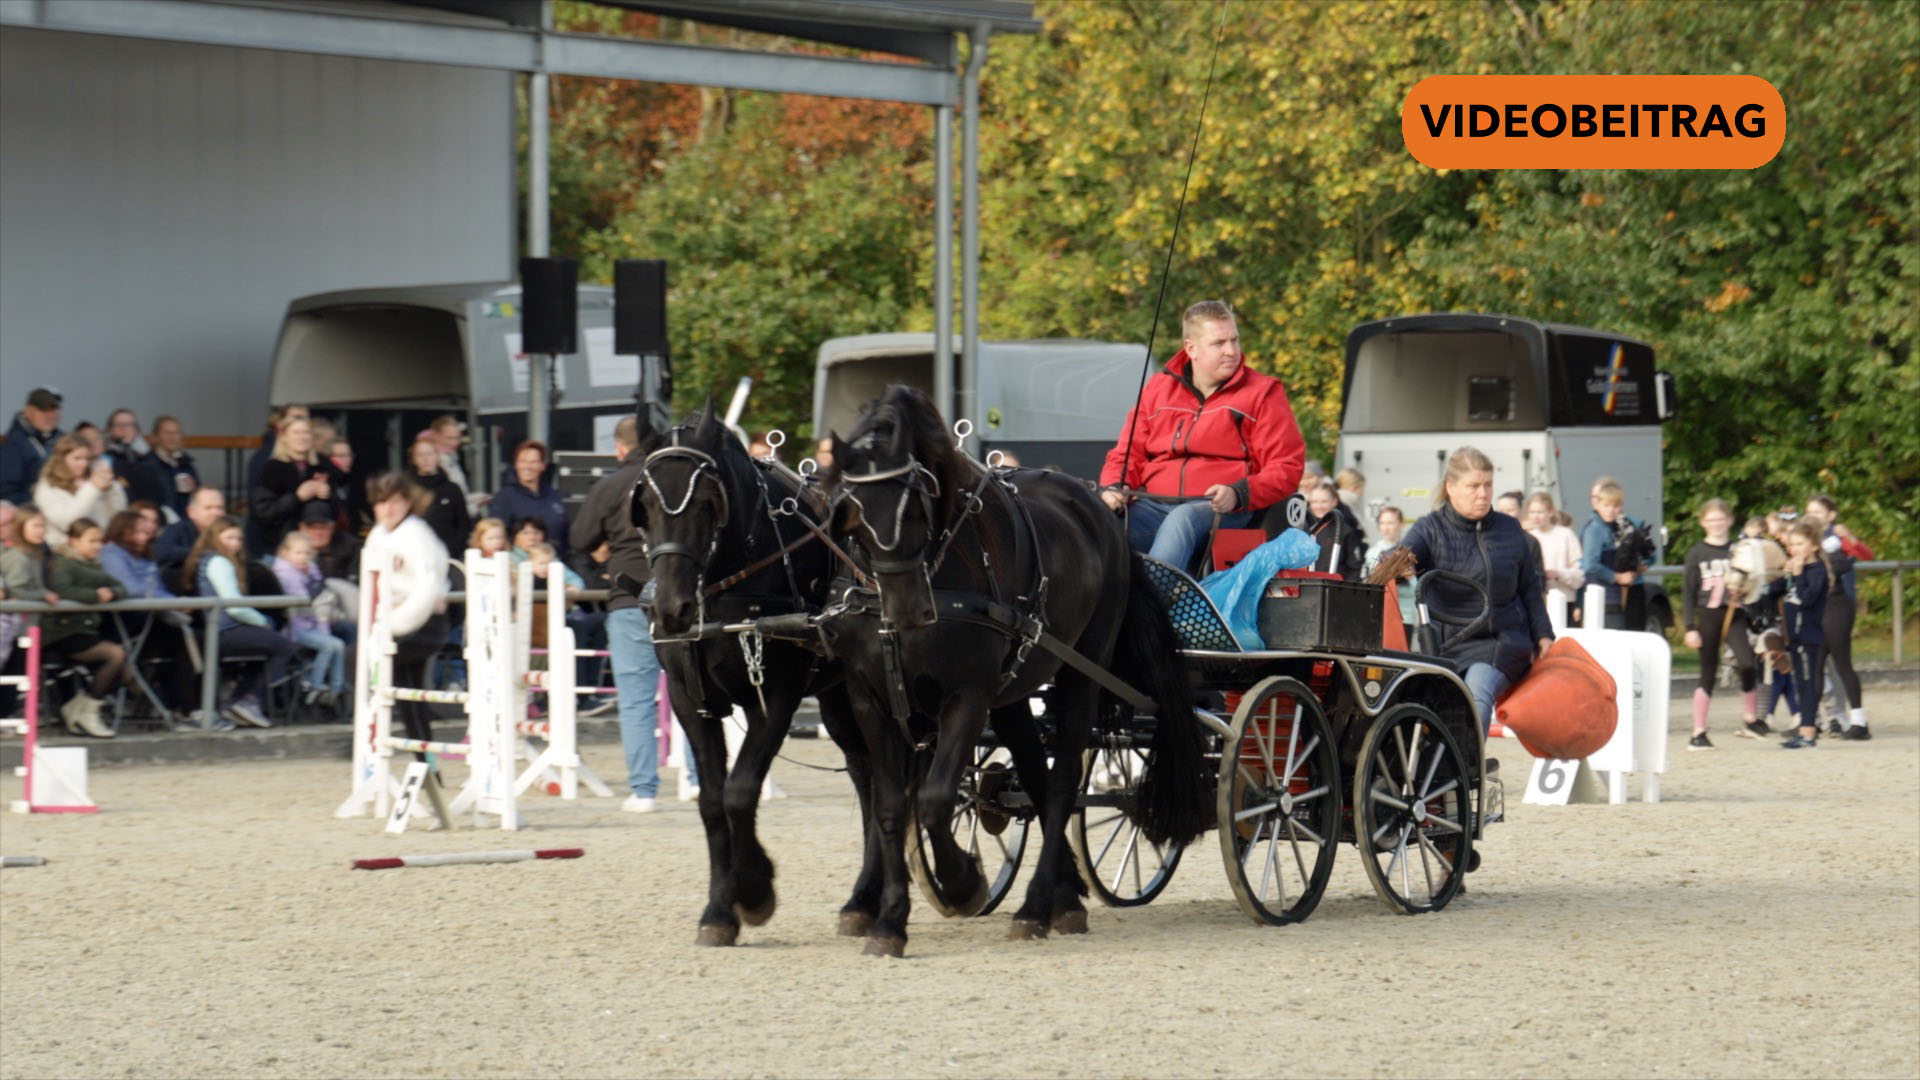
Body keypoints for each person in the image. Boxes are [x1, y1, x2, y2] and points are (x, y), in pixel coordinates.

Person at [1098, 300, 1306, 572]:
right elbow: (1127, 454)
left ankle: (1153, 607)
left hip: (1223, 510)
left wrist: (1238, 492)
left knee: (1182, 519)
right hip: (1154, 506)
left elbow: (1287, 468)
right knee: (1096, 522)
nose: (1231, 351)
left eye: (1235, 340)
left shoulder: (1264, 393)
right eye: (1219, 343)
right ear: (1191, 349)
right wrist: (1116, 485)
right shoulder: (1158, 388)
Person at [1401, 447, 1554, 732]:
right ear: (1451, 487)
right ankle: (1439, 770)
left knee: (1475, 695)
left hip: (1502, 642)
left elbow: (1530, 588)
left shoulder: (1510, 529)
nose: (1483, 494)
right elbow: (1399, 556)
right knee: (1429, 710)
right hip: (1445, 647)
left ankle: (1468, 773)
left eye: (1488, 485)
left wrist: (1544, 634)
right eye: (1473, 486)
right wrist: (1396, 563)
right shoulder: (1429, 529)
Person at [569, 415, 663, 813]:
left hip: (628, 598)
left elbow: (579, 539)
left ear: (619, 448)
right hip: (681, 597)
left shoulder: (608, 485)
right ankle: (697, 780)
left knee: (636, 699)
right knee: (694, 696)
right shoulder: (672, 477)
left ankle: (644, 790)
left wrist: (606, 550)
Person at [362, 473, 451, 747]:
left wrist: (394, 624)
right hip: (393, 624)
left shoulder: (417, 535)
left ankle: (367, 733)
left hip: (422, 624)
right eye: (382, 502)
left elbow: (427, 587)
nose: (389, 509)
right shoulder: (377, 535)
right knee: (408, 693)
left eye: (396, 502)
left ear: (408, 504)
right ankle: (427, 764)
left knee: (360, 660)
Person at [185, 515, 293, 730]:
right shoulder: (220, 562)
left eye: (239, 539)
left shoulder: (207, 560)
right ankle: (247, 699)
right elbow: (234, 605)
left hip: (221, 629)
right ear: (216, 538)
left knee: (265, 649)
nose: (235, 543)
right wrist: (263, 621)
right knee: (284, 646)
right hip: (227, 629)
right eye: (229, 537)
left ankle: (240, 700)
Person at [1679, 498, 1760, 750]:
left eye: (1720, 519)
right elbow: (1688, 592)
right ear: (1703, 522)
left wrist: (1744, 593)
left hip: (1733, 613)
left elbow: (1753, 581)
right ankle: (1698, 732)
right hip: (1709, 614)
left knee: (1748, 663)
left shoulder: (1738, 550)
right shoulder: (1698, 552)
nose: (1716, 524)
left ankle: (1751, 718)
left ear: (1729, 520)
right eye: (1711, 519)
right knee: (1708, 672)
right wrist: (1690, 626)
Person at [42, 517, 128, 737]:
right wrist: (95, 596)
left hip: (85, 630)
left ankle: (78, 707)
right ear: (73, 541)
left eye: (100, 541)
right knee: (115, 655)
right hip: (62, 632)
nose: (98, 546)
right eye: (92, 541)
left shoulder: (93, 565)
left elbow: (120, 586)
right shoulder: (62, 563)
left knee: (125, 672)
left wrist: (112, 594)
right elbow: (62, 590)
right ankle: (88, 711)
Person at [1763, 521, 1839, 749]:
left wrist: (1797, 576)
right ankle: (1806, 730)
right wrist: (1783, 576)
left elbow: (1807, 599)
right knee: (1799, 685)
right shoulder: (1798, 570)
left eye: (1800, 544)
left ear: (1814, 546)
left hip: (1808, 637)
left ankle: (1808, 733)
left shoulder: (1817, 572)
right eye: (1792, 544)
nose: (1794, 549)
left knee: (1807, 685)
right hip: (1793, 638)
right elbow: (1772, 594)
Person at [1803, 494, 1870, 739]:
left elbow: (1847, 562)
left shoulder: (1835, 541)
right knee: (1816, 664)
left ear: (1830, 516)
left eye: (1818, 513)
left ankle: (1859, 722)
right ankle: (1809, 722)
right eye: (1809, 512)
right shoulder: (1806, 540)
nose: (1812, 517)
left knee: (1842, 663)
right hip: (1817, 607)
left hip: (1836, 606)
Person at [271, 532, 348, 707]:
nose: (303, 557)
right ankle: (315, 684)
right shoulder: (286, 574)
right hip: (295, 628)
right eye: (298, 553)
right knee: (331, 645)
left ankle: (336, 688)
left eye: (307, 553)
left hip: (310, 624)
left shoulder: (311, 572)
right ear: (286, 553)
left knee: (338, 645)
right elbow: (309, 601)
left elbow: (320, 601)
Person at [249, 416, 334, 556]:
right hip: (280, 548)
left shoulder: (322, 466)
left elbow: (336, 513)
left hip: (317, 549)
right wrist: (297, 497)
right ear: (284, 437)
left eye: (306, 432)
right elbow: (263, 512)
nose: (302, 437)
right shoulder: (272, 468)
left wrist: (327, 495)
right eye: (296, 432)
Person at [1580, 482, 1648, 630]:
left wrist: (1637, 565)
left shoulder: (1616, 526)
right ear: (1597, 504)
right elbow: (1591, 565)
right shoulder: (1594, 529)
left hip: (1614, 595)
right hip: (1599, 595)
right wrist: (1617, 577)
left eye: (1615, 506)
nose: (1611, 510)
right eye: (1606, 505)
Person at [34, 434, 127, 539]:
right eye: (77, 458)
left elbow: (117, 517)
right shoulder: (48, 485)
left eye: (87, 459)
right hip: (63, 548)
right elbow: (68, 523)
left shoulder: (93, 477)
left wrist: (112, 489)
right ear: (61, 459)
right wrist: (92, 488)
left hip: (99, 543)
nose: (83, 464)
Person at [489, 440, 569, 560]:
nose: (527, 466)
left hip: (555, 564)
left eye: (533, 462)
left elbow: (565, 535)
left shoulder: (554, 496)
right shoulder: (505, 497)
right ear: (516, 464)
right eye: (523, 461)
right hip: (520, 565)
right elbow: (497, 538)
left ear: (543, 466)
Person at [1524, 491, 1585, 620]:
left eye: (1540, 512)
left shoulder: (1566, 535)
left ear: (1550, 512)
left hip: (1565, 601)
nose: (1535, 517)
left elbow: (1580, 575)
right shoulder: (1528, 538)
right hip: (1537, 603)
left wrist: (1558, 574)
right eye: (1532, 512)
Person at [0, 387, 65, 506]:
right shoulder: (14, 444)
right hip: (31, 512)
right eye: (44, 410)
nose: (50, 415)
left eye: (55, 409)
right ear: (28, 411)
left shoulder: (62, 439)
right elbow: (6, 491)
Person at [406, 437, 470, 556]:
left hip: (448, 556)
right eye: (420, 454)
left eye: (429, 453)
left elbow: (463, 526)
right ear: (414, 459)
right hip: (415, 555)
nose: (425, 459)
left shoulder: (452, 489)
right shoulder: (406, 490)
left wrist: (452, 550)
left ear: (437, 456)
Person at [156, 487, 226, 591]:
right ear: (191, 512)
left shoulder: (230, 533)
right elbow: (163, 552)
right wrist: (203, 553)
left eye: (220, 508)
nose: (216, 513)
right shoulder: (177, 530)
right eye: (208, 508)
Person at [130, 415, 198, 518]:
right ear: (156, 436)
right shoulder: (147, 464)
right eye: (167, 433)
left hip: (186, 520)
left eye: (176, 432)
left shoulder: (186, 463)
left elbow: (197, 496)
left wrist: (194, 488)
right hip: (159, 520)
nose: (172, 437)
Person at [1363, 505, 1416, 632]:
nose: (1386, 528)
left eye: (1390, 523)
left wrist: (1409, 577)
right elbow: (1367, 585)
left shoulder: (1409, 553)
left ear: (1401, 524)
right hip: (1379, 613)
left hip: (1405, 615)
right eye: (1382, 523)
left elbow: (1417, 590)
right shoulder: (1373, 553)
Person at [1304, 480, 1363, 580]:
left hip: (1333, 588)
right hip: (1306, 587)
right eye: (1314, 502)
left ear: (1334, 502)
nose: (1319, 506)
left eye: (1324, 501)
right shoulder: (1302, 530)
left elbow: (1354, 568)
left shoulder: (1344, 530)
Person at [245, 403, 308, 495]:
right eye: (297, 418)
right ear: (279, 424)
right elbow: (258, 500)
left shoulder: (315, 456)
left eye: (306, 418)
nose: (302, 423)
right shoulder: (266, 456)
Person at [102, 408, 151, 487]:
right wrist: (126, 447)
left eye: (128, 425)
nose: (124, 428)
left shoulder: (147, 452)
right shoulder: (105, 453)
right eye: (119, 425)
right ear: (111, 429)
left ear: (136, 429)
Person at [1333, 468, 1372, 542]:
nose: (1362, 493)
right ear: (1353, 487)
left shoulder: (1338, 503)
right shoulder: (1345, 506)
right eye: (1361, 488)